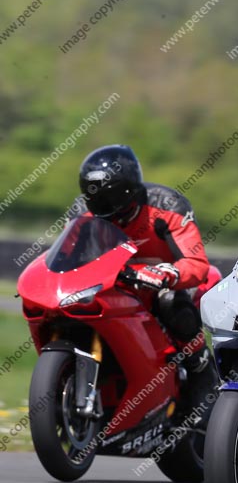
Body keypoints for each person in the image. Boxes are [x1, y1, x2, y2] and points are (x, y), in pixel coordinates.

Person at [69, 143, 218, 406]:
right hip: (118, 283)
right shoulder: (83, 214)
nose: (107, 210)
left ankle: (201, 369)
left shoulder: (169, 206)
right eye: (98, 201)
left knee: (170, 302)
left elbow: (196, 262)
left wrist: (168, 275)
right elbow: (67, 259)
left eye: (112, 199)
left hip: (171, 283)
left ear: (130, 190)